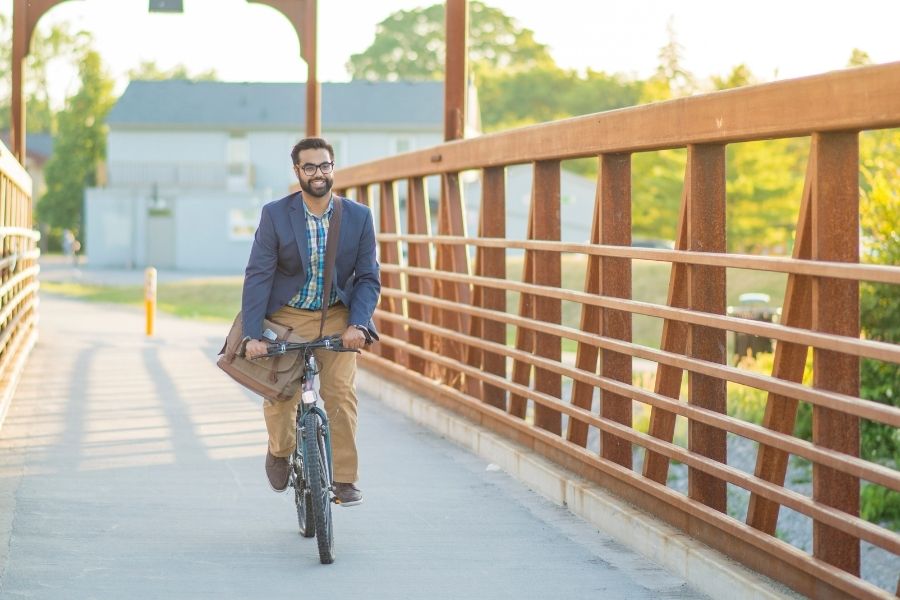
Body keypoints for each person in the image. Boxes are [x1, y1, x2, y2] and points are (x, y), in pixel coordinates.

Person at [241, 137, 380, 506]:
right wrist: (253, 335)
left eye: (324, 165)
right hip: (288, 314)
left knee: (340, 394)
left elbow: (368, 277)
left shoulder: (359, 217)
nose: (318, 173)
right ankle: (281, 450)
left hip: (336, 315)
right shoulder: (275, 215)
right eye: (310, 167)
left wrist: (358, 324)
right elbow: (258, 276)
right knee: (280, 396)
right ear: (297, 171)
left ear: (333, 168)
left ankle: (344, 479)